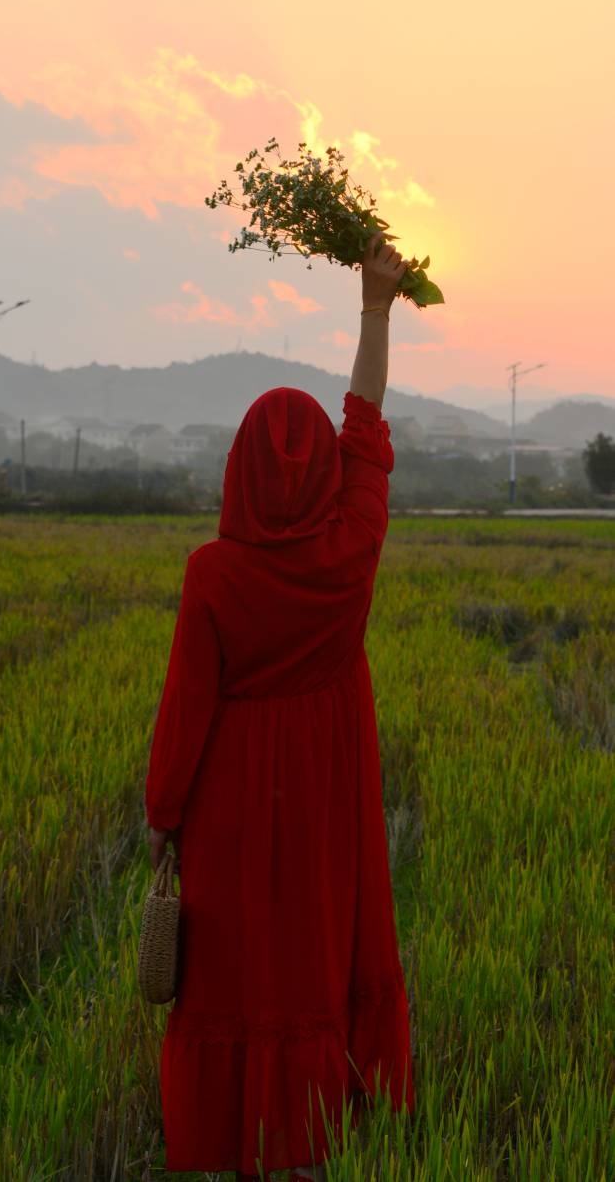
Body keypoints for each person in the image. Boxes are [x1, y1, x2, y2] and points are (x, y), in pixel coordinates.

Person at [143, 232, 417, 1180]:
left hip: (225, 805)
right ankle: (307, 1145)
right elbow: (365, 428)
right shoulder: (350, 550)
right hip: (323, 803)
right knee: (308, 960)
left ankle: (229, 1143)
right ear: (322, 481)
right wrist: (375, 307)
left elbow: (186, 709)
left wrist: (164, 816)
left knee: (231, 976)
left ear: (238, 468)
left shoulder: (212, 574)